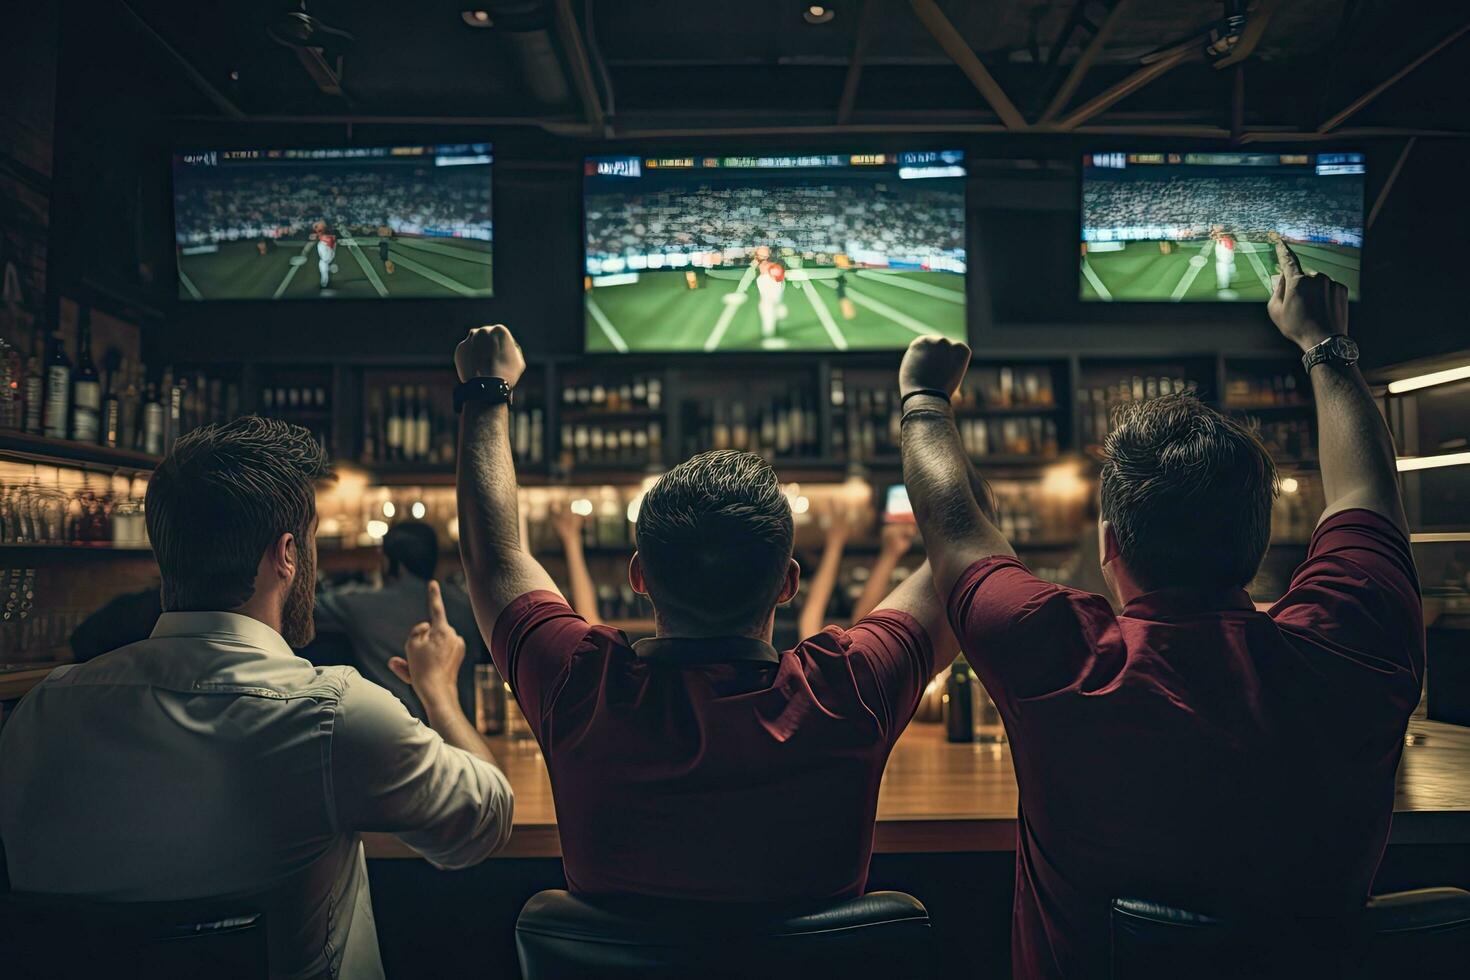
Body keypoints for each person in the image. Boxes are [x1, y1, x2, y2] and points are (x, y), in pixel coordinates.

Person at [898, 241, 1421, 978]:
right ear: (1259, 537)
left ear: (1110, 543)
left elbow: (952, 524)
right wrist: (1323, 346)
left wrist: (923, 399)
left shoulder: (1055, 651)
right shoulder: (1350, 639)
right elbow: (1369, 493)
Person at [452, 324, 957, 903]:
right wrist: (926, 401)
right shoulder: (848, 687)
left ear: (638, 576)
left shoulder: (580, 683)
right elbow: (964, 550)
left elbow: (493, 560)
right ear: (789, 583)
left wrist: (487, 391)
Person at [0, 417, 514, 980]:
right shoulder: (331, 714)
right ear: (287, 554)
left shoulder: (41, 714)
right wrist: (438, 693)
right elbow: (485, 819)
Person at [315, 520, 486, 722]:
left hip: (393, 736)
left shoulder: (362, 605)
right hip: (460, 732)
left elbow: (308, 607)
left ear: (390, 562)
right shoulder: (469, 606)